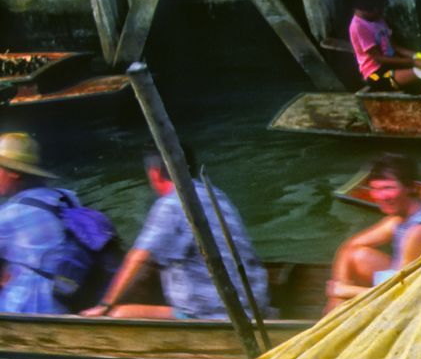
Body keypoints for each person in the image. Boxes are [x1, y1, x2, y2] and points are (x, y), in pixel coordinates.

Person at [82, 152, 271, 320]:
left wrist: (104, 305)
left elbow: (139, 258)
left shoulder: (171, 204)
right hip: (256, 305)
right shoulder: (217, 195)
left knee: (116, 315)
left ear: (154, 173)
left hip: (212, 314)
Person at [0, 133, 117, 314]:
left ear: (14, 172)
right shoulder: (67, 197)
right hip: (72, 297)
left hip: (28, 308)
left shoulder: (9, 215)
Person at [326, 153, 421, 310]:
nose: (381, 196)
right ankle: (336, 311)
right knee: (354, 253)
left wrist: (347, 290)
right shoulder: (398, 218)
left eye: (388, 188)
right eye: (375, 189)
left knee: (345, 288)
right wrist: (335, 296)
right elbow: (349, 247)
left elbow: (405, 294)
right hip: (401, 280)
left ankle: (336, 315)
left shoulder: (419, 230)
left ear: (411, 187)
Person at [348, 0, 421, 92]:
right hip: (376, 75)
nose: (383, 10)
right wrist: (412, 62)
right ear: (368, 8)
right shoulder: (358, 27)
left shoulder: (377, 18)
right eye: (380, 7)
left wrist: (417, 55)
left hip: (391, 64)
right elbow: (379, 58)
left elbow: (394, 47)